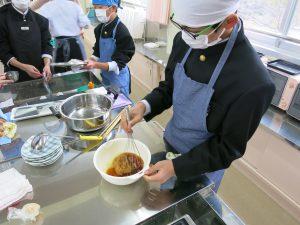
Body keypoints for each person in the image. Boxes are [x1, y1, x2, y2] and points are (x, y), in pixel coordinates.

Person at [121, 0, 275, 191]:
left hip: (202, 167)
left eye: (194, 31)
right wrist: (145, 106)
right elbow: (169, 87)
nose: (185, 36)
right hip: (171, 140)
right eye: (181, 26)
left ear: (230, 21)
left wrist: (177, 167)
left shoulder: (254, 82)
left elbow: (228, 148)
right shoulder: (184, 40)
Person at [85, 0, 135, 96]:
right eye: (94, 7)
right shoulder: (100, 28)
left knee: (120, 107)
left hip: (118, 79)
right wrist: (90, 60)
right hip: (105, 76)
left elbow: (116, 65)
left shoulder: (122, 32)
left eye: (100, 7)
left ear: (113, 8)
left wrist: (95, 65)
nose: (96, 11)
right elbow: (97, 51)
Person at [0, 0, 52, 82]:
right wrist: (24, 67)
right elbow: (3, 52)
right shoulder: (2, 18)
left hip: (40, 73)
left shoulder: (41, 20)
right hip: (15, 76)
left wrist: (47, 65)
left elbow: (47, 45)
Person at [39, 0, 90, 68]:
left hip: (54, 42)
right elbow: (86, 24)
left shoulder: (45, 7)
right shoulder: (74, 5)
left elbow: (42, 27)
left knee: (58, 72)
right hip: (74, 43)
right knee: (78, 70)